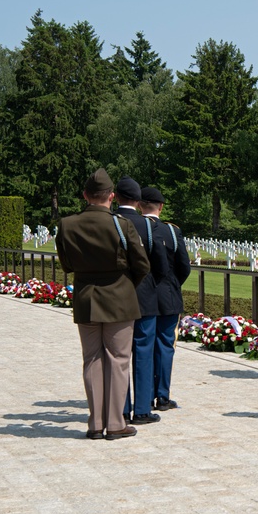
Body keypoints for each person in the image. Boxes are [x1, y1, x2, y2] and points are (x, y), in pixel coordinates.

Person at [55, 168, 150, 440]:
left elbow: (66, 264)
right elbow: (142, 265)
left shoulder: (67, 224)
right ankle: (115, 422)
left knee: (92, 360)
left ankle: (95, 423)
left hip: (86, 298)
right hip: (119, 298)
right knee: (118, 360)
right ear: (111, 196)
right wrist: (125, 284)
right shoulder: (123, 224)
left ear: (85, 196)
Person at [114, 177, 165, 426]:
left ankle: (122, 409)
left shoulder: (112, 222)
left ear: (117, 197)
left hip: (118, 296)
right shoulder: (146, 226)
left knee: (120, 354)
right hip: (144, 296)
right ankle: (142, 409)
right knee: (143, 352)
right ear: (137, 200)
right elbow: (160, 265)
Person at [140, 187, 191, 410]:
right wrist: (171, 285)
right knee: (165, 345)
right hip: (168, 295)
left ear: (140, 205)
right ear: (161, 206)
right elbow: (184, 267)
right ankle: (162, 396)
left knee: (144, 346)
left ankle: (145, 396)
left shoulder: (133, 227)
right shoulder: (172, 231)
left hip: (141, 296)